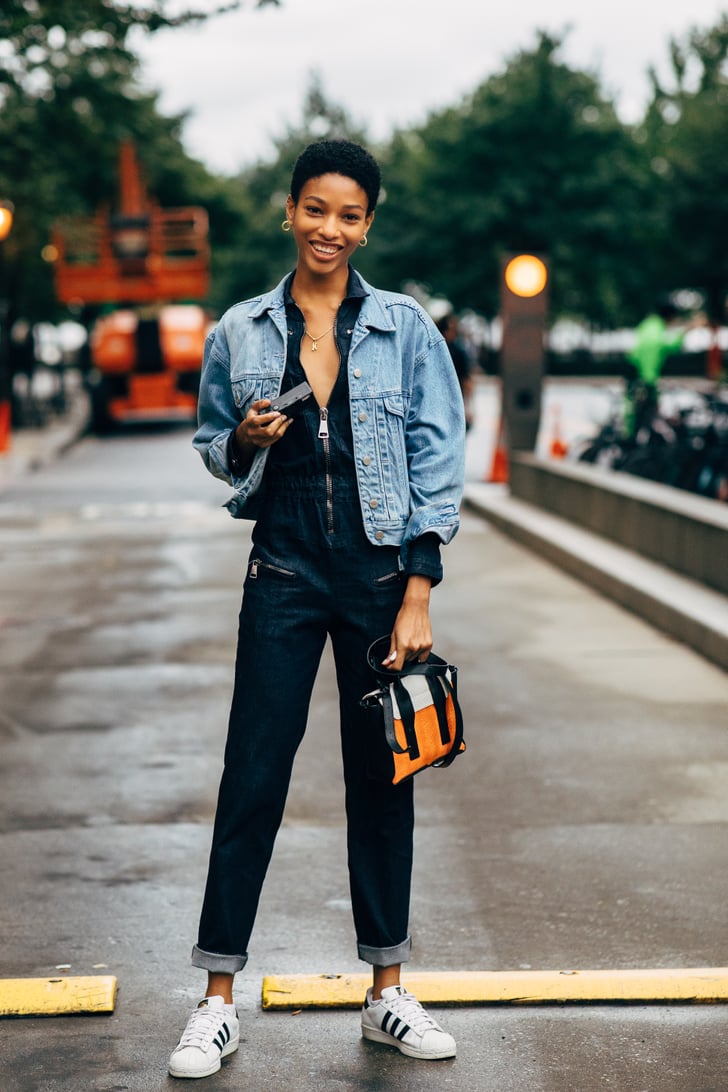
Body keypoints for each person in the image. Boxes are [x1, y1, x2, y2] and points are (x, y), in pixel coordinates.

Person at [168, 139, 466, 1080]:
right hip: (285, 572)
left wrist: (418, 589)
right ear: (287, 212)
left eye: (348, 214)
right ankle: (216, 1000)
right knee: (251, 777)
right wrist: (245, 437)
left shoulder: (407, 329)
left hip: (379, 582)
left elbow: (437, 458)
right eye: (315, 210)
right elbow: (214, 441)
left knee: (383, 785)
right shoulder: (240, 332)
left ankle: (388, 991)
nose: (329, 228)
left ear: (366, 223)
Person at [625, 301, 704, 438]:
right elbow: (668, 347)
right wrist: (650, 384)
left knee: (634, 413)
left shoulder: (649, 325)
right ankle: (634, 442)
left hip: (633, 373)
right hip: (644, 379)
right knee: (644, 413)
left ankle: (630, 438)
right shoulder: (656, 333)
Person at [436, 312, 474, 430]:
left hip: (449, 398)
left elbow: (466, 378)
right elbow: (466, 379)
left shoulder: (454, 350)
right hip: (449, 398)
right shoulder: (456, 350)